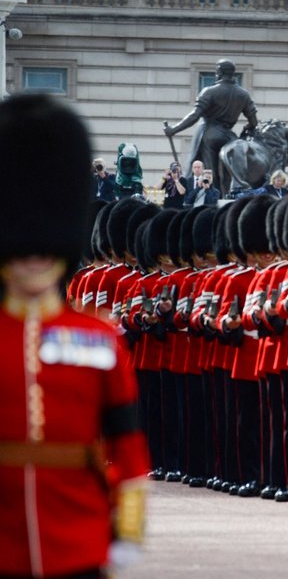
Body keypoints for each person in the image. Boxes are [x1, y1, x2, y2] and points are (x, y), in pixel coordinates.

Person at [0, 94, 149, 577]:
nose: (34, 258)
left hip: (78, 535)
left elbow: (126, 445)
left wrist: (128, 528)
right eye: (22, 249)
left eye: (45, 248)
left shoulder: (100, 341)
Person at [164, 59, 258, 196]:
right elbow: (254, 121)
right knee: (226, 175)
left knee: (209, 171)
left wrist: (174, 129)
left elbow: (195, 115)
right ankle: (225, 199)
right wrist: (248, 126)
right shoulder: (243, 94)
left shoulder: (209, 91)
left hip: (210, 134)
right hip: (230, 137)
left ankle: (211, 201)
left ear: (219, 73)